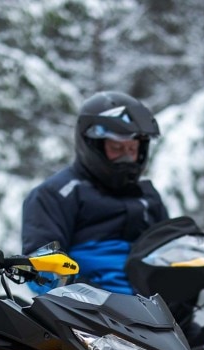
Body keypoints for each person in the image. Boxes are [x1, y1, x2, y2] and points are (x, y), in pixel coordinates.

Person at [21, 91, 168, 293]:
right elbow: (40, 270)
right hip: (90, 312)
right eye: (116, 148)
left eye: (132, 149)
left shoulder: (147, 197)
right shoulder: (57, 194)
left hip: (155, 310)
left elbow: (171, 254)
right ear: (93, 145)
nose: (126, 158)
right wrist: (94, 298)